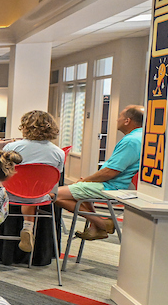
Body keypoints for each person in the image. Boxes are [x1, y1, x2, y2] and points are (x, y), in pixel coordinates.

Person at [54, 104, 144, 242]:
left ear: (127, 121)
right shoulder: (140, 136)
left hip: (111, 186)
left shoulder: (131, 141)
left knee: (53, 195)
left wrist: (86, 181)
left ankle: (102, 224)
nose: (117, 120)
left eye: (120, 116)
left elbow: (110, 172)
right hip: (113, 184)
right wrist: (90, 181)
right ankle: (97, 226)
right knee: (75, 194)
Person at [3, 110, 66, 252]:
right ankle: (27, 228)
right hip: (41, 197)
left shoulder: (12, 147)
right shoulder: (58, 152)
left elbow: (2, 172)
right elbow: (55, 178)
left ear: (25, 126)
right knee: (33, 189)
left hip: (9, 195)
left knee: (1, 189)